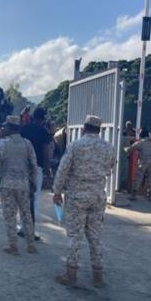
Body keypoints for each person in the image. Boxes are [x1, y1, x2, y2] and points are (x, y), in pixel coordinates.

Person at [52, 114, 117, 288]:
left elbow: (63, 169)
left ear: (83, 128)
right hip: (97, 195)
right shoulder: (109, 148)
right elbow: (110, 169)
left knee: (75, 235)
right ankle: (98, 276)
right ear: (99, 130)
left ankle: (71, 273)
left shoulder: (75, 146)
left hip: (77, 196)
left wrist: (57, 191)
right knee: (95, 235)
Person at [0, 116, 38, 255]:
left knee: (10, 216)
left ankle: (13, 246)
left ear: (10, 128)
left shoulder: (2, 145)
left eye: (5, 126)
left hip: (7, 185)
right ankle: (30, 245)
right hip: (23, 184)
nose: (3, 129)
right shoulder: (27, 144)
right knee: (26, 215)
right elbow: (34, 165)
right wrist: (33, 183)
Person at [19, 107, 53, 242]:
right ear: (43, 118)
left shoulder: (24, 129)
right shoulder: (43, 132)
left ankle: (22, 227)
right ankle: (30, 230)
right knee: (34, 199)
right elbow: (45, 153)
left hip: (22, 167)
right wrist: (47, 170)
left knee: (22, 197)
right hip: (36, 168)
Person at [124, 129, 151, 200]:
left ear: (142, 135)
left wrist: (125, 149)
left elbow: (130, 149)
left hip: (143, 162)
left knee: (138, 177)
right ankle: (149, 194)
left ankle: (134, 194)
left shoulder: (140, 142)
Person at [124, 121, 138, 193]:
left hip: (134, 154)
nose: (128, 127)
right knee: (128, 173)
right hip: (126, 155)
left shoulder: (134, 132)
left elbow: (136, 139)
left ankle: (131, 189)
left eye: (130, 125)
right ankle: (128, 188)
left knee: (133, 173)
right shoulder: (123, 132)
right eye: (127, 125)